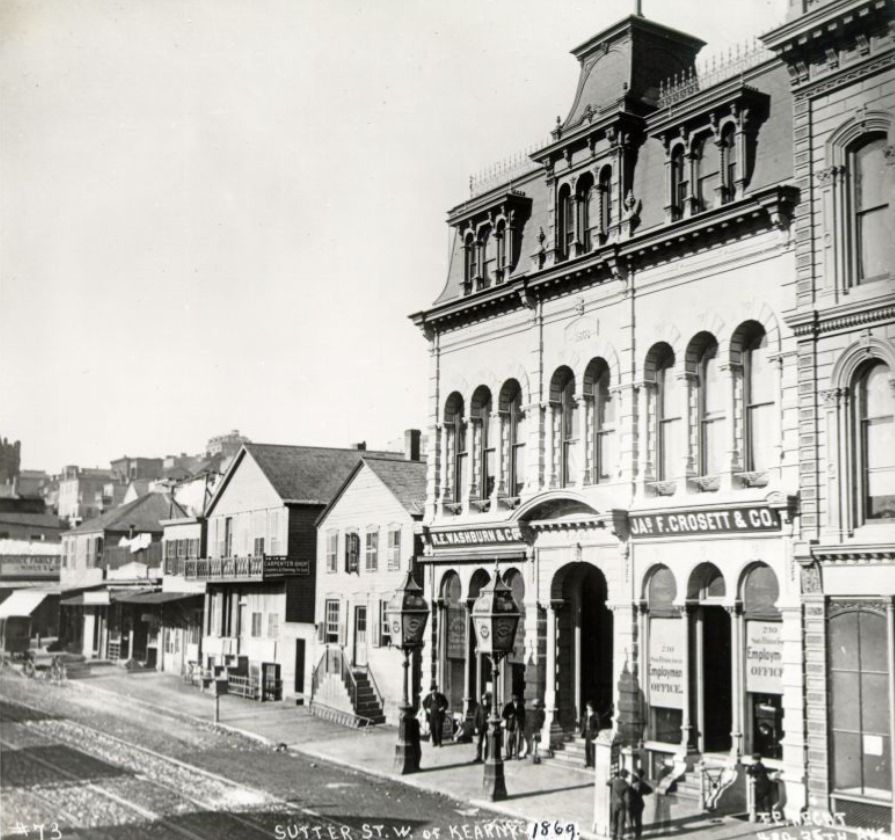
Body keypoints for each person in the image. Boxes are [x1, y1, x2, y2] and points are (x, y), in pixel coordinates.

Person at [627, 768, 653, 840]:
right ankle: (638, 836)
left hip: (630, 804)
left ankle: (630, 835)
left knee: (630, 820)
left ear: (637, 774)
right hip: (639, 804)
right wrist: (642, 793)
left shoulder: (631, 782)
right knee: (638, 821)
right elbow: (650, 790)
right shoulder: (641, 783)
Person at [422, 683, 449, 747]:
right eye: (432, 690)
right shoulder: (428, 697)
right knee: (432, 729)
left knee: (438, 728)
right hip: (431, 716)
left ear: (437, 690)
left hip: (439, 716)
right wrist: (426, 709)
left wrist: (442, 708)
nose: (434, 691)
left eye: (435, 690)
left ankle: (439, 742)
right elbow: (424, 703)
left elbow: (446, 704)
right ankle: (434, 742)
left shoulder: (441, 696)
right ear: (431, 691)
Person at [607, 768, 631, 840]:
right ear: (626, 776)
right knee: (621, 821)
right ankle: (620, 836)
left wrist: (613, 777)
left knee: (614, 820)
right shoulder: (626, 785)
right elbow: (627, 798)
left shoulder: (614, 782)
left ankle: (612, 835)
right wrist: (628, 806)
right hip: (622, 804)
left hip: (614, 803)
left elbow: (607, 782)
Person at [501, 694, 526, 759]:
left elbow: (523, 718)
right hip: (510, 725)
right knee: (508, 741)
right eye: (514, 697)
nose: (515, 698)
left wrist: (522, 728)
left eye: (516, 697)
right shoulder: (508, 705)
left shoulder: (521, 706)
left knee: (517, 741)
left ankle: (517, 755)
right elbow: (503, 715)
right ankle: (508, 755)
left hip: (518, 725)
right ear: (512, 698)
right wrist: (508, 716)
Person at [579, 700, 600, 768]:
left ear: (592, 707)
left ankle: (594, 764)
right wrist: (582, 730)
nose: (589, 708)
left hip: (592, 732)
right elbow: (583, 722)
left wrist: (595, 732)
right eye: (587, 707)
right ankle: (588, 763)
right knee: (587, 748)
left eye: (590, 707)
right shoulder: (585, 713)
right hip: (587, 732)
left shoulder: (595, 714)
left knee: (592, 748)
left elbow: (599, 725)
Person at [472, 692, 492, 763]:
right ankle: (478, 757)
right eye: (484, 700)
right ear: (482, 700)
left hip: (487, 728)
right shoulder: (478, 708)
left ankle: (486, 756)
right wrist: (475, 727)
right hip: (480, 727)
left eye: (486, 700)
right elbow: (475, 718)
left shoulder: (491, 707)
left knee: (487, 743)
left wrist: (490, 715)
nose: (485, 701)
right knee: (479, 742)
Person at [525, 698, 546, 763]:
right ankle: (533, 755)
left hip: (534, 729)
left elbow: (541, 720)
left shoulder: (530, 712)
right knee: (534, 743)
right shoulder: (540, 712)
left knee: (534, 743)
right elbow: (542, 720)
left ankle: (534, 756)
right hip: (534, 729)